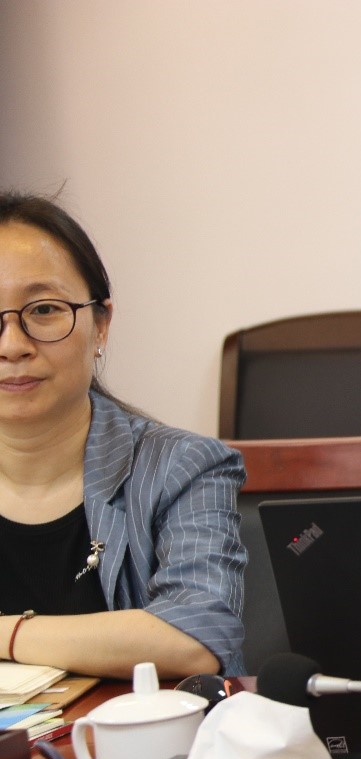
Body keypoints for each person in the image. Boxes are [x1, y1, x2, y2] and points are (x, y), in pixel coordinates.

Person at [0, 192, 246, 679]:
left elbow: (198, 635)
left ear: (101, 326)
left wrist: (7, 634)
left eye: (43, 310)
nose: (12, 345)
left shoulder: (181, 467)